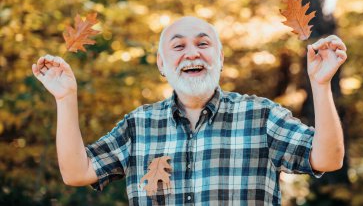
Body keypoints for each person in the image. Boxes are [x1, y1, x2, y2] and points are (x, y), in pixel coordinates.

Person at [32, 16, 347, 205]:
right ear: (162, 64)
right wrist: (65, 98)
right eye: (178, 46)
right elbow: (76, 172)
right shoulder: (138, 125)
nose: (191, 53)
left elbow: (328, 158)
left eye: (203, 44)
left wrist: (321, 85)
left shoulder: (261, 116)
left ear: (220, 58)